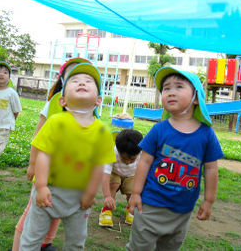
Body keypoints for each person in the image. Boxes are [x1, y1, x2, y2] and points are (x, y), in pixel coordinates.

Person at [20, 62, 116, 250]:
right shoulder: (55, 122)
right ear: (62, 101)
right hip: (48, 191)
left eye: (88, 81)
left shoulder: (102, 132)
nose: (82, 83)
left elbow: (100, 167)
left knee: (76, 242)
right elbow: (44, 154)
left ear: (98, 100)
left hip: (80, 198)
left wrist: (90, 193)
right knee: (31, 238)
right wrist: (40, 187)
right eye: (74, 81)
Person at [127, 66, 224, 251]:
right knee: (140, 247)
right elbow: (144, 161)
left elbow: (211, 169)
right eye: (166, 88)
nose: (171, 92)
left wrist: (209, 200)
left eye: (179, 87)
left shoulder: (206, 135)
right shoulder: (159, 129)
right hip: (150, 205)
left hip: (182, 210)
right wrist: (136, 193)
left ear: (196, 98)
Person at [12, 57, 89, 251]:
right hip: (48, 173)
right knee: (33, 213)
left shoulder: (89, 109)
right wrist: (32, 163)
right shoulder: (55, 102)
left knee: (56, 212)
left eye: (85, 78)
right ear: (62, 80)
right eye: (72, 76)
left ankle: (44, 244)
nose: (79, 81)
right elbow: (39, 135)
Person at [99, 128, 143, 227]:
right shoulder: (111, 153)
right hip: (115, 173)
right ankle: (106, 210)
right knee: (114, 184)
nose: (127, 162)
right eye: (124, 158)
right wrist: (107, 196)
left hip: (131, 175)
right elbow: (105, 176)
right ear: (118, 151)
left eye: (132, 159)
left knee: (132, 191)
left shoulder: (142, 153)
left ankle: (130, 210)